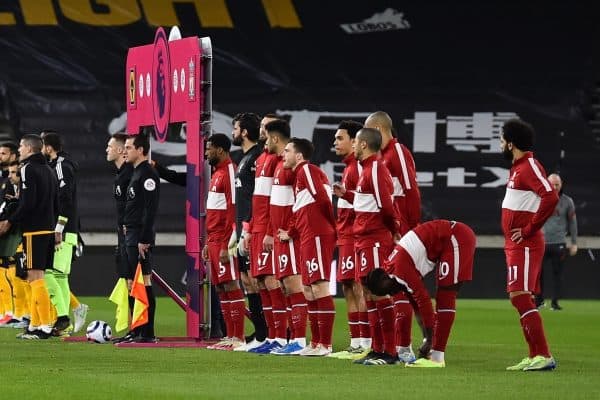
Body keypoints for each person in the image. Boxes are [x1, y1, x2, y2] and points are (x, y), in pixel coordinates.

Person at [366, 219, 476, 368]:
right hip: (447, 241)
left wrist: (430, 340)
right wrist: (426, 339)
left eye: (388, 291)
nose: (392, 293)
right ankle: (434, 353)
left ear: (385, 279)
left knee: (445, 295)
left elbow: (424, 301)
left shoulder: (400, 269)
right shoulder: (391, 270)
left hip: (455, 237)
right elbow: (416, 306)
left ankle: (437, 358)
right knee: (442, 295)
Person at [334, 128, 401, 365]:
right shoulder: (367, 170)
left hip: (374, 239)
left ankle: (390, 352)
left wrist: (394, 230)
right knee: (368, 292)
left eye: (356, 143)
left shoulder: (377, 169)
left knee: (378, 291)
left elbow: (386, 205)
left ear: (363, 144)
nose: (353, 147)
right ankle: (377, 348)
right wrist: (348, 195)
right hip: (362, 239)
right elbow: (367, 202)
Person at [500, 119, 558, 371]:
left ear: (511, 144)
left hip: (526, 244)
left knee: (520, 296)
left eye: (502, 140)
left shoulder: (529, 166)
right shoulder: (518, 168)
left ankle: (543, 354)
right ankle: (535, 354)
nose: (500, 144)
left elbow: (550, 195)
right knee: (520, 297)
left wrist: (528, 229)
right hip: (516, 245)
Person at [365, 111, 421, 362]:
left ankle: (404, 347)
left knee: (399, 288)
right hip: (390, 231)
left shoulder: (397, 152)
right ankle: (394, 346)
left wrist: (409, 230)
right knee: (388, 286)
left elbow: (411, 191)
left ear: (378, 128)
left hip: (401, 231)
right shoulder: (382, 157)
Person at [278, 138, 336, 356]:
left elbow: (322, 199)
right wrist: (292, 232)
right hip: (308, 236)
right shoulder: (298, 177)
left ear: (299, 156)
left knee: (319, 286)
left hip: (318, 235)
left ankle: (326, 345)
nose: (284, 154)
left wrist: (330, 225)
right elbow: (301, 209)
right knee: (309, 289)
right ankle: (316, 343)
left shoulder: (307, 170)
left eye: (288, 151)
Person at [239, 114, 289, 354]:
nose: (262, 131)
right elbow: (257, 200)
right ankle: (270, 336)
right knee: (260, 282)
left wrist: (269, 230)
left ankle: (282, 336)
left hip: (267, 230)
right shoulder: (262, 159)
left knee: (271, 281)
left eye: (265, 128)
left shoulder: (278, 161)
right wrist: (248, 228)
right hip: (256, 229)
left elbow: (274, 202)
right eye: (261, 127)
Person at [0, 134, 58, 340]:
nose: (20, 150)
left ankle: (44, 326)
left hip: (34, 229)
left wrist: (10, 221)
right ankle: (34, 324)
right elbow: (55, 202)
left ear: (29, 148)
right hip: (48, 228)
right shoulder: (49, 170)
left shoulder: (27, 169)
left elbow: (28, 203)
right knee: (34, 277)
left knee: (34, 278)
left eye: (22, 147)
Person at [263, 119, 308, 355]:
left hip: (290, 238)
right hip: (279, 237)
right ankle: (288, 338)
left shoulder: (293, 169)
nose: (265, 140)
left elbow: (300, 204)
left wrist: (290, 230)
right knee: (285, 286)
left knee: (293, 284)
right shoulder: (280, 166)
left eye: (267, 136)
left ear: (275, 138)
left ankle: (299, 340)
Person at [329, 120, 371, 360]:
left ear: (355, 141)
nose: (335, 142)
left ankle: (365, 341)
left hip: (355, 237)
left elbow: (365, 205)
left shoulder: (358, 168)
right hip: (345, 236)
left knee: (358, 287)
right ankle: (356, 341)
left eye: (340, 138)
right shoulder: (348, 168)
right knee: (348, 287)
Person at [202, 133, 246, 350]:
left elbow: (233, 209)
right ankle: (230, 336)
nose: (206, 152)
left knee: (230, 284)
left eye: (209, 148)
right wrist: (207, 243)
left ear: (220, 150)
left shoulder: (229, 171)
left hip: (224, 239)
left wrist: (230, 244)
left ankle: (239, 338)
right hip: (214, 239)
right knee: (220, 287)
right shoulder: (216, 173)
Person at [39, 132, 85, 335]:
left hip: (63, 231)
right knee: (60, 277)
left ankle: (61, 317)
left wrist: (58, 228)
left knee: (49, 274)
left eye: (42, 146)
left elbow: (65, 199)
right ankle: (64, 324)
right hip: (68, 229)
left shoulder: (61, 166)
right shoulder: (59, 165)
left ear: (48, 147)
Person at [230, 112, 268, 350]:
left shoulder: (256, 158)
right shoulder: (245, 158)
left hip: (253, 229)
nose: (233, 132)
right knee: (247, 280)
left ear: (244, 132)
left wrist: (248, 228)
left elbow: (259, 198)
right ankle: (261, 333)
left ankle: (268, 334)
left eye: (235, 128)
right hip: (243, 227)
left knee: (257, 280)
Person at [118, 133, 160, 343]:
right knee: (133, 284)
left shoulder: (148, 175)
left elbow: (150, 210)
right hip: (132, 233)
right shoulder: (136, 173)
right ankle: (136, 330)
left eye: (129, 147)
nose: (125, 151)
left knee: (144, 283)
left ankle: (147, 332)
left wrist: (144, 238)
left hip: (140, 236)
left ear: (141, 150)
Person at [535, 173, 578, 311]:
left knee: (557, 274)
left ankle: (555, 302)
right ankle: (539, 301)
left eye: (557, 184)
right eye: (552, 184)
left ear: (561, 184)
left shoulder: (567, 201)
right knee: (537, 274)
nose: (554, 187)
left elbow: (572, 223)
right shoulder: (538, 199)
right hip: (541, 243)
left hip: (559, 242)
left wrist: (574, 242)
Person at [0, 143, 18, 325]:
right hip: (5, 223)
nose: (0, 156)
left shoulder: (16, 179)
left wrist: (7, 221)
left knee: (14, 270)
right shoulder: (4, 179)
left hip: (12, 228)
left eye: (3, 153)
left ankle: (13, 311)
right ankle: (6, 311)